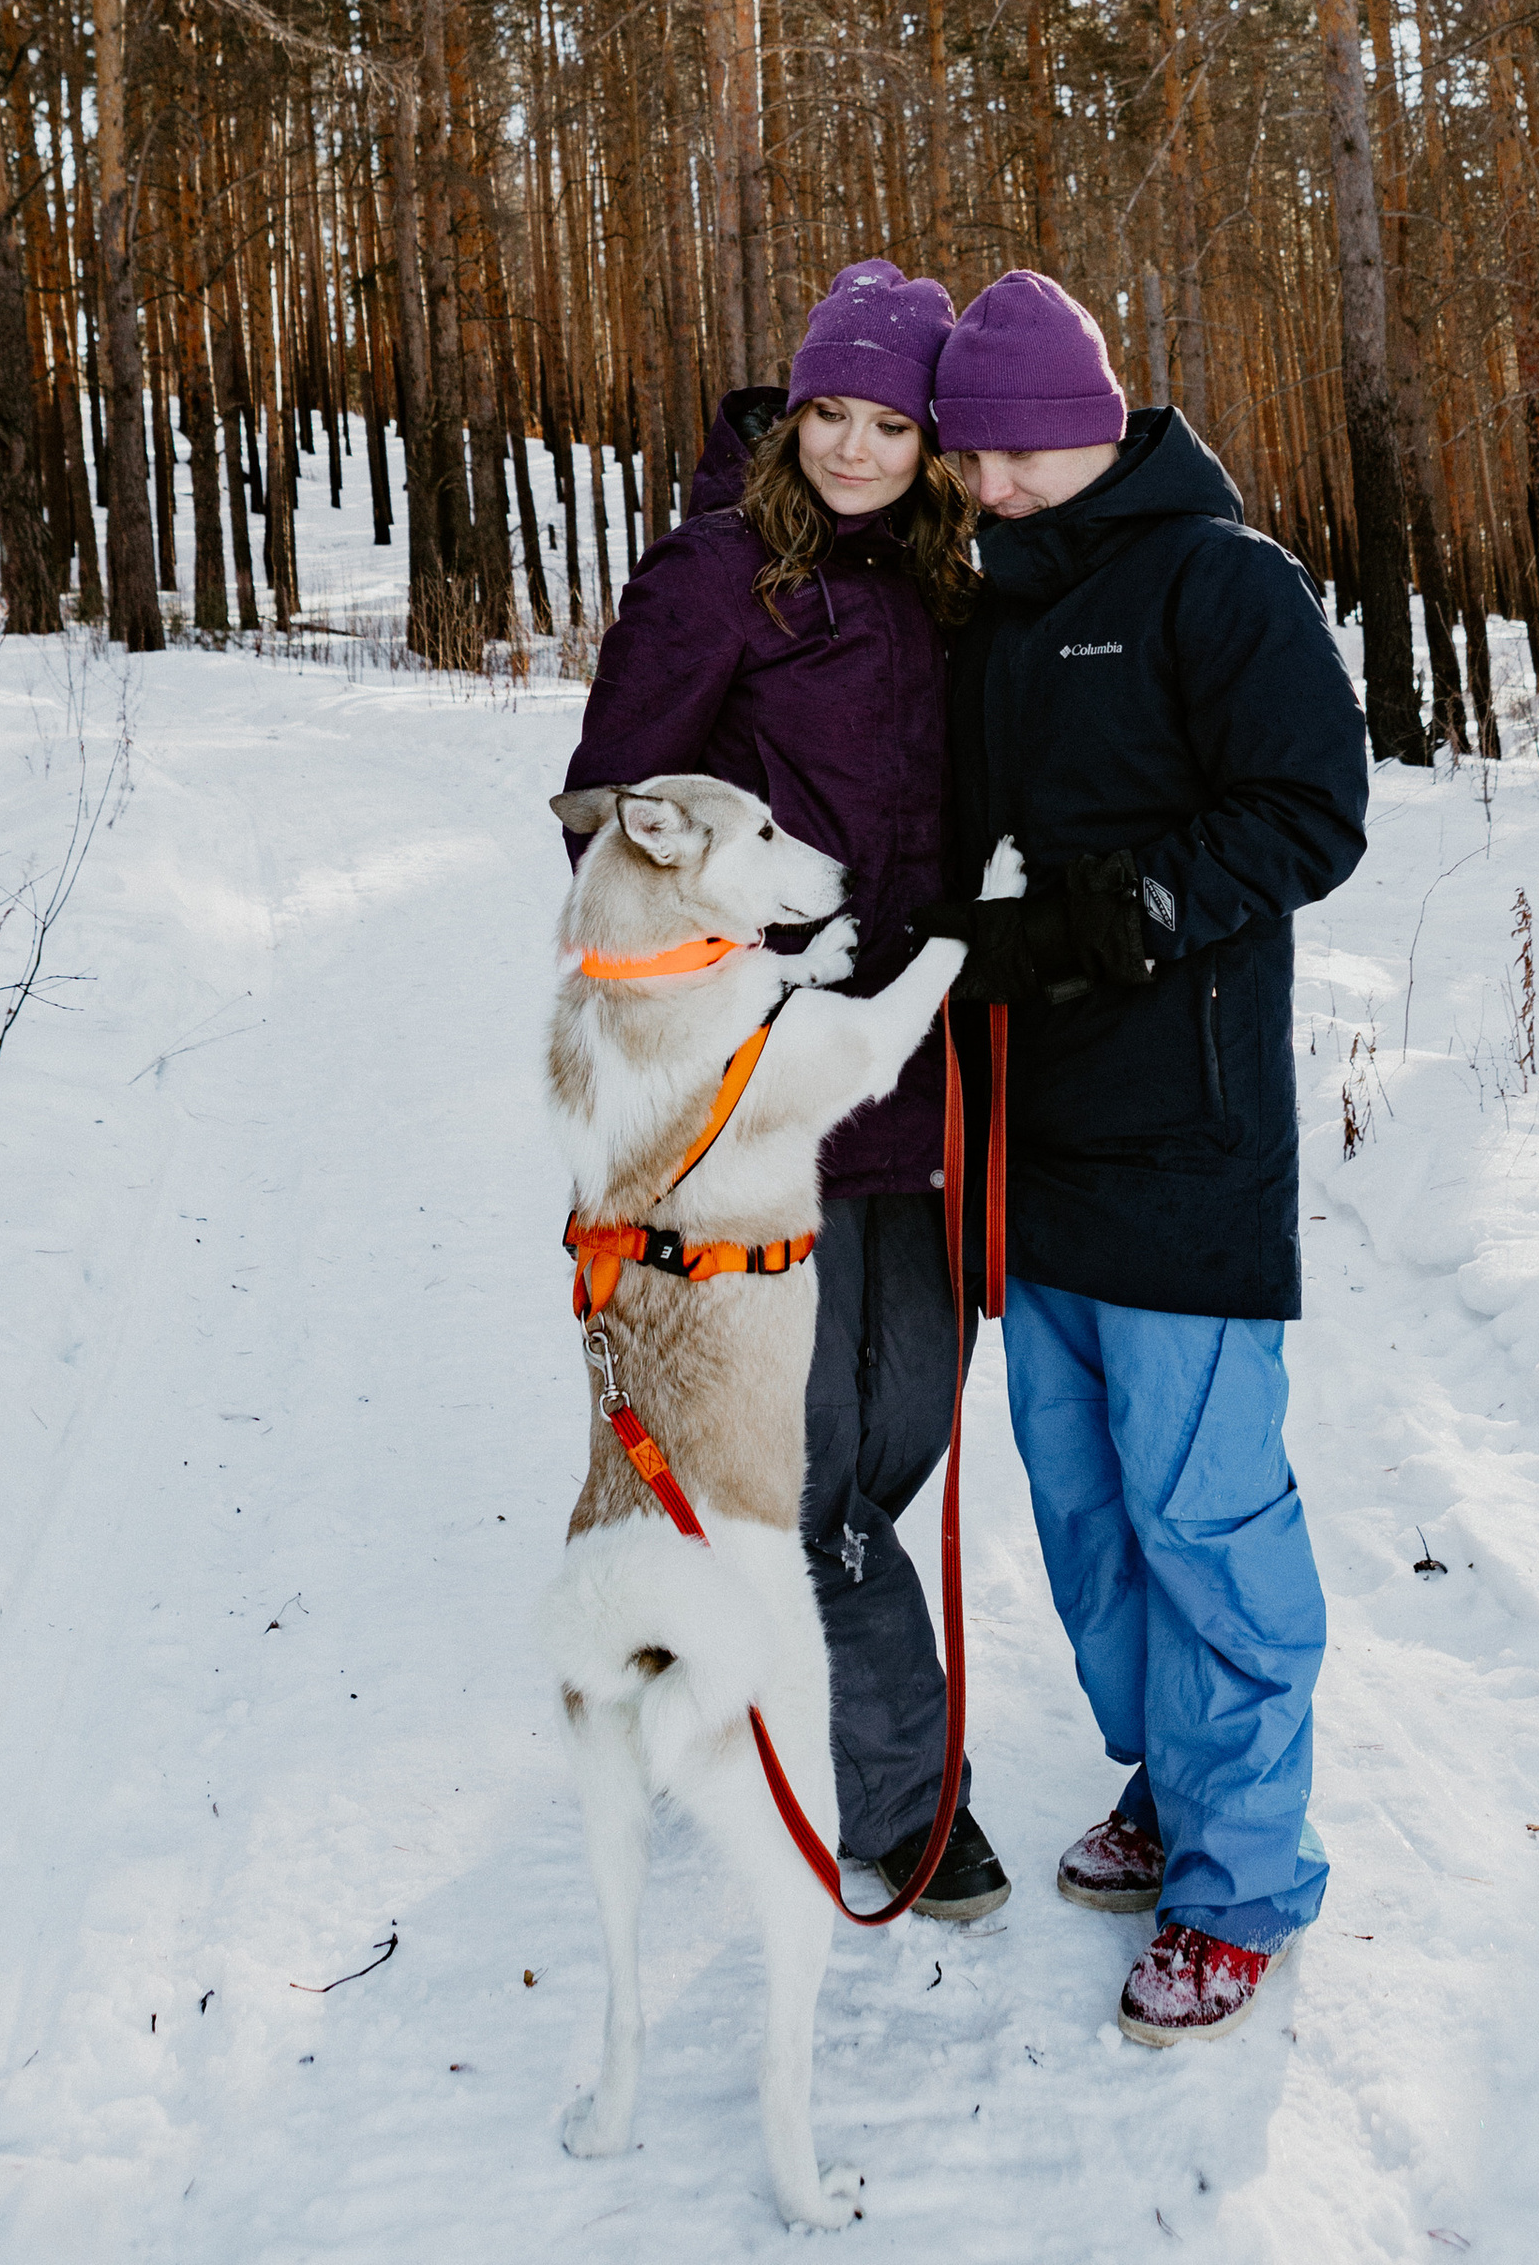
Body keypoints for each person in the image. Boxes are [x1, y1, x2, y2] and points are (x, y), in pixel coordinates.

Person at [911, 268, 1369, 2041]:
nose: (999, 485)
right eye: (979, 459)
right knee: (1092, 1522)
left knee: (1206, 1517)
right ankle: (1175, 1785)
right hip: (1034, 1143)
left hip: (1183, 1138)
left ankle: (1246, 1879)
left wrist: (1147, 904)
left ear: (1100, 420)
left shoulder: (1219, 579)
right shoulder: (995, 612)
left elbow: (1310, 807)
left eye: (1022, 452)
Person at [559, 259, 1010, 1922]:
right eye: (829, 411)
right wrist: (726, 971)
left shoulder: (955, 578)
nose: (852, 445)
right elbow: (611, 813)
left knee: (898, 1433)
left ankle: (711, 1646)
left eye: (890, 420)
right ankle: (911, 1797)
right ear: (793, 410)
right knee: (813, 1466)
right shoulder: (720, 573)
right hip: (768, 1089)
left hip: (920, 1080)